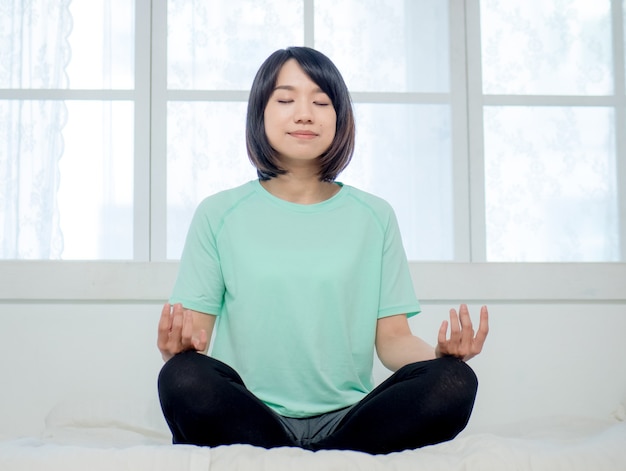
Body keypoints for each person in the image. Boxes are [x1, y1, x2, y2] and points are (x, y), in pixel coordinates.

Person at [157, 46, 489, 455]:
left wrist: (438, 360)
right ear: (260, 113)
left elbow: (393, 340)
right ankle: (316, 458)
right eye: (285, 99)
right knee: (182, 378)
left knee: (455, 382)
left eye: (320, 101)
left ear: (340, 117)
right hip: (254, 415)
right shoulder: (219, 213)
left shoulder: (375, 216)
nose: (304, 113)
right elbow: (196, 339)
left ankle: (314, 457)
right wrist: (177, 352)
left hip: (351, 417)